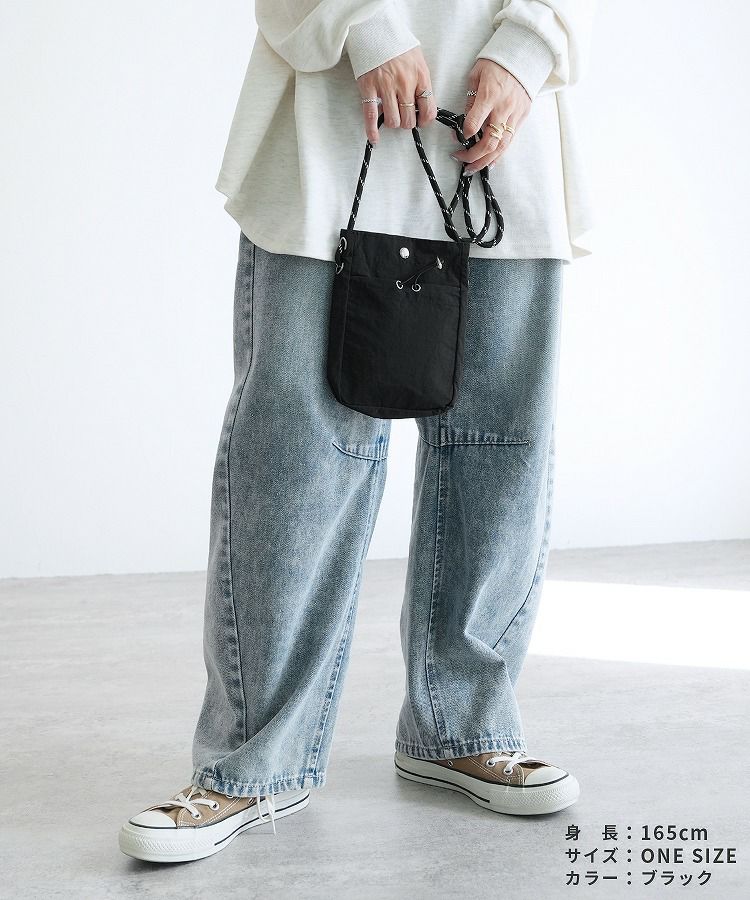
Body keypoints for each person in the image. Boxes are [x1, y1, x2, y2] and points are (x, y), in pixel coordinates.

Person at [119, 0, 596, 863]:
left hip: (504, 127)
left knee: (498, 449)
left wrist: (528, 48)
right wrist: (366, 26)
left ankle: (464, 726)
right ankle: (253, 760)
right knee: (296, 455)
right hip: (334, 111)